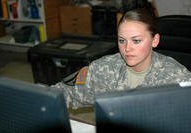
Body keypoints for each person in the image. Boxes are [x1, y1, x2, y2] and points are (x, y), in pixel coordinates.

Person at [53, 8, 191, 108]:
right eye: (122, 40)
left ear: (154, 40)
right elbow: (62, 92)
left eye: (136, 41)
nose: (127, 48)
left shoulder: (177, 77)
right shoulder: (103, 68)